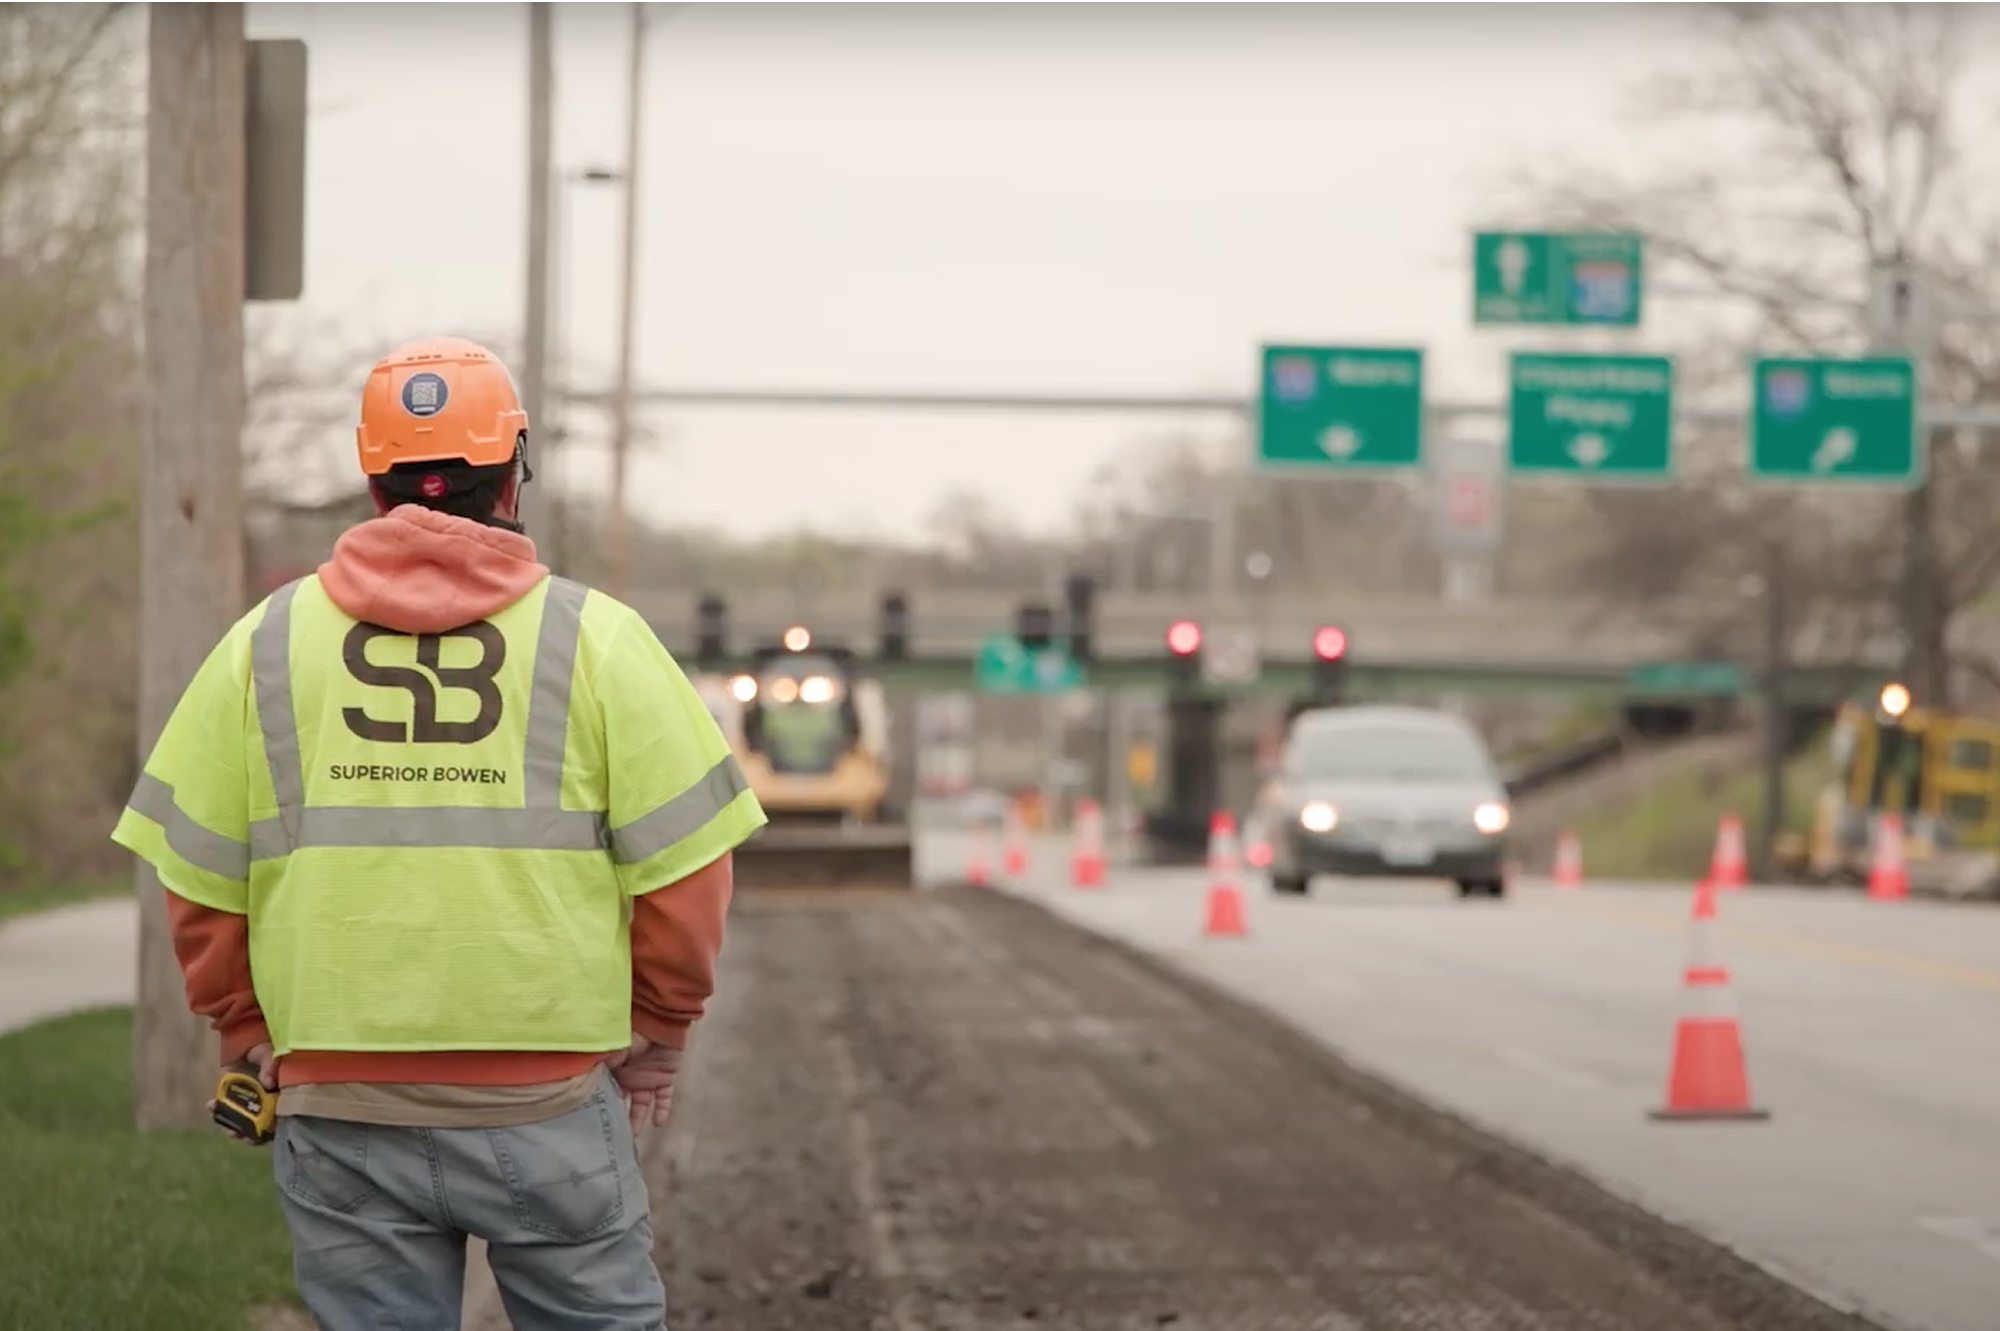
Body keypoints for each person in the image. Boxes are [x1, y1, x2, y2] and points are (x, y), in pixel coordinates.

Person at [111, 335, 766, 1331]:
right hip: (545, 1105)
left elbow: (196, 878)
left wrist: (242, 1027)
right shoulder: (600, 641)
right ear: (514, 473)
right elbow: (687, 877)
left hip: (339, 1102)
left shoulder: (266, 643)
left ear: (374, 482)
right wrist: (661, 1029)